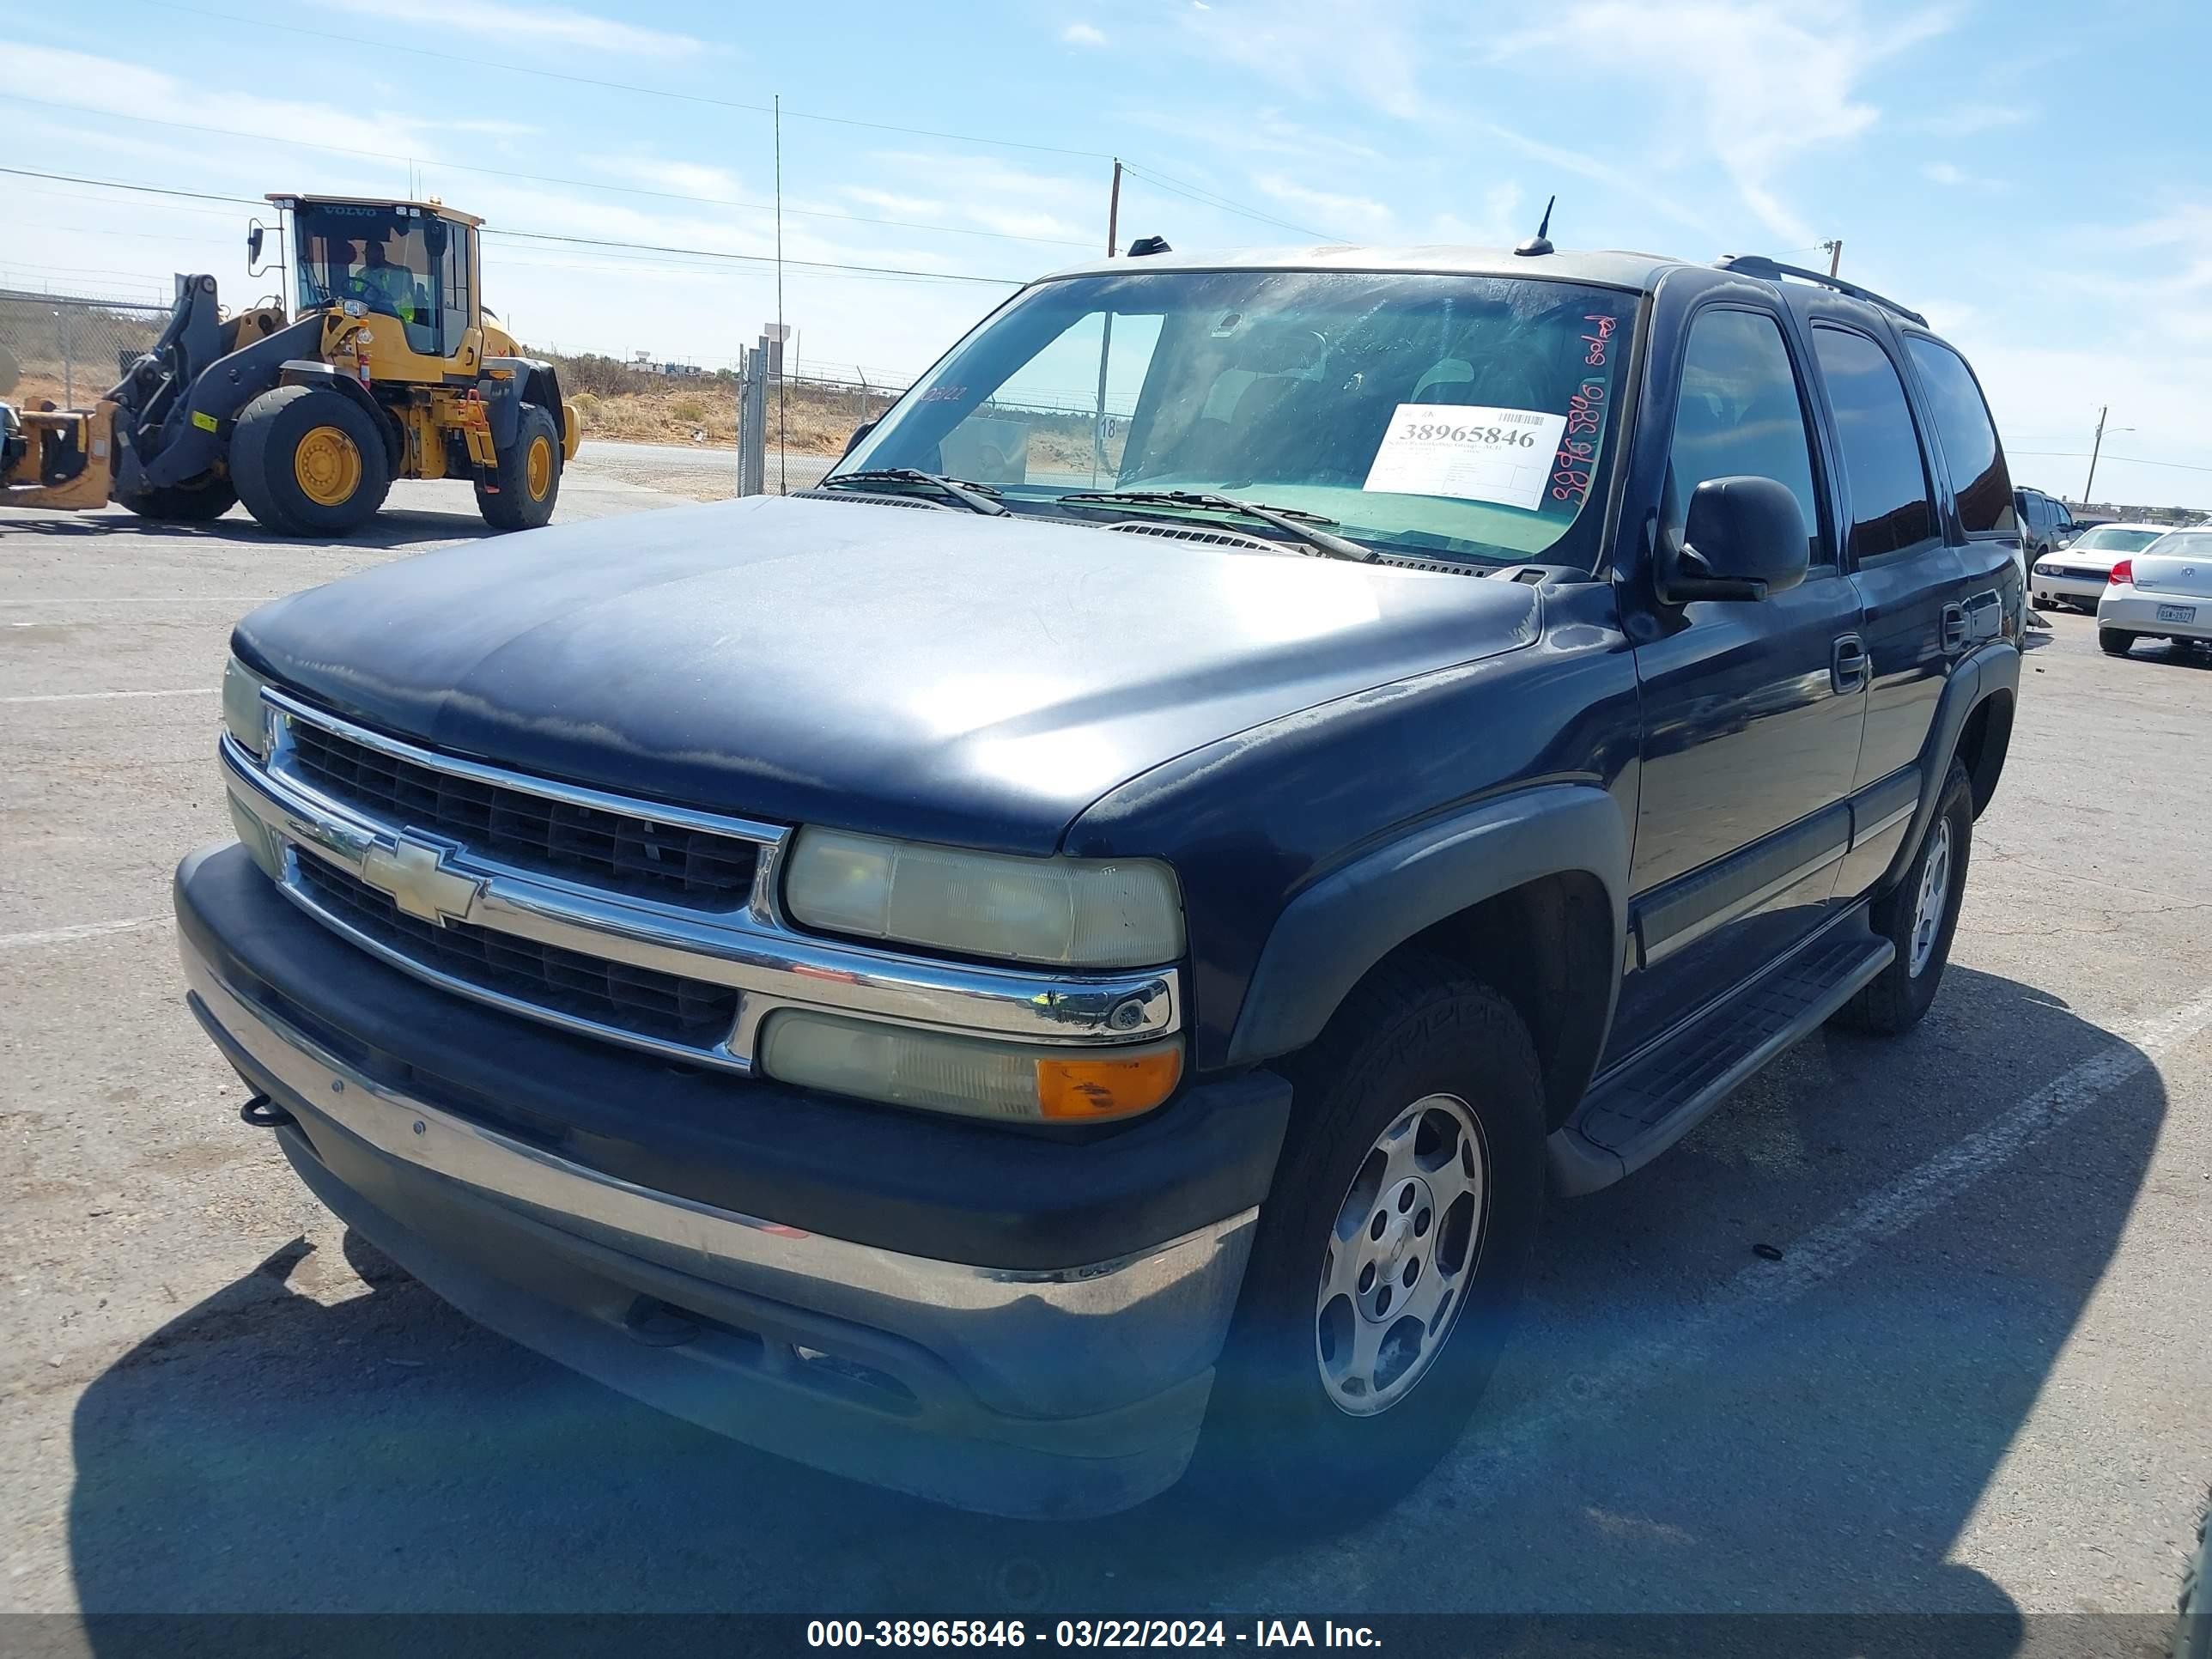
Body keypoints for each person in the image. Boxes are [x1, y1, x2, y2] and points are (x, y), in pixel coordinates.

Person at [349, 240, 419, 325]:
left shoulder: (397, 273)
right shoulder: (361, 273)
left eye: (372, 254)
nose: (368, 257)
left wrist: (371, 297)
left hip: (398, 319)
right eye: (366, 253)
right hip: (366, 318)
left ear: (382, 254)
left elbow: (392, 296)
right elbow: (352, 295)